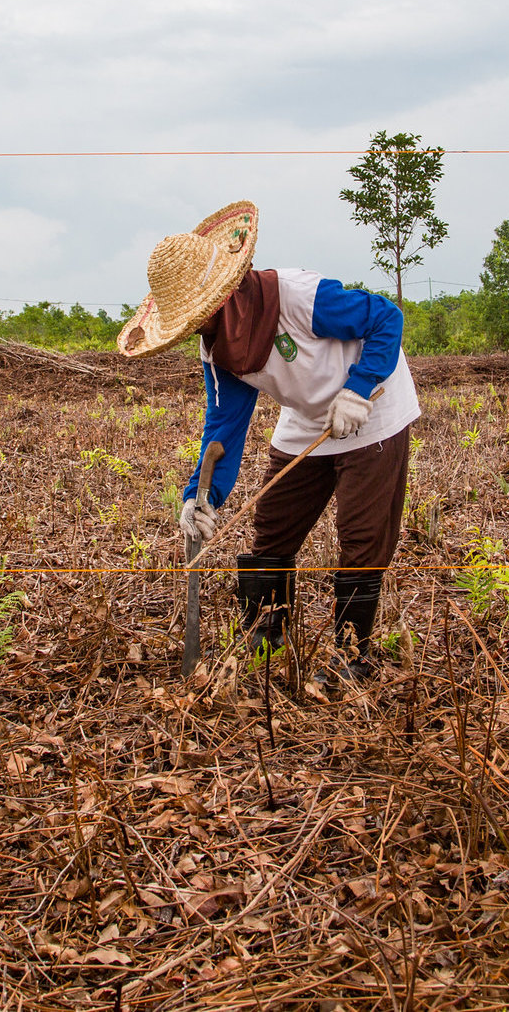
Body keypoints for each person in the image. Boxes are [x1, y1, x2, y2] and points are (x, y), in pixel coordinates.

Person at [118, 202, 421, 682]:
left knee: (361, 536)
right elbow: (223, 426)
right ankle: (267, 633)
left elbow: (386, 318)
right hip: (306, 415)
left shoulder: (299, 297)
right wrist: (202, 494)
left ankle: (351, 656)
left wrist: (359, 388)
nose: (195, 327)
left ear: (223, 292)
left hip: (372, 403)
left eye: (198, 315)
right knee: (273, 525)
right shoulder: (217, 347)